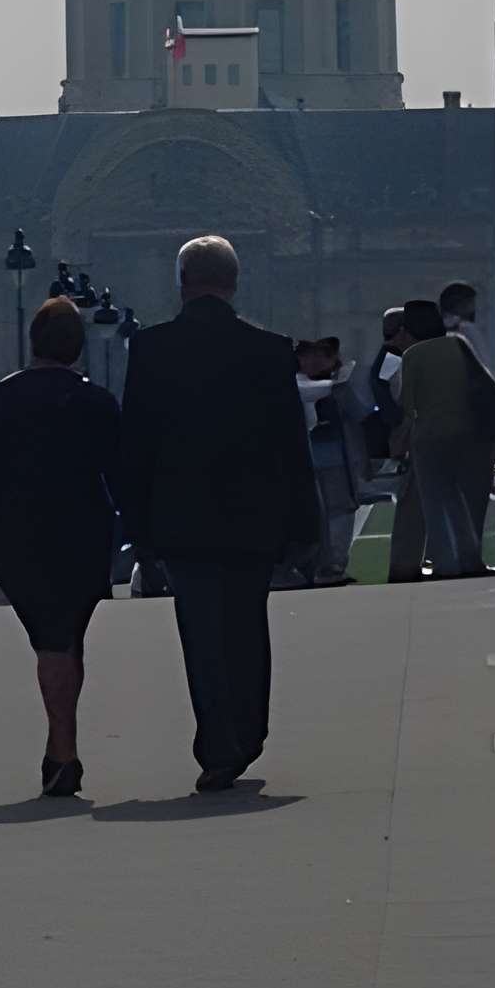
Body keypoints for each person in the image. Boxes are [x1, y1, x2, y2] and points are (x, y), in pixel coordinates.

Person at [115, 235, 320, 793]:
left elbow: (135, 447)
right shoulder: (271, 350)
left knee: (201, 633)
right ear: (234, 283)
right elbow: (290, 446)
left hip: (182, 516)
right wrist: (306, 526)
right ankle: (249, 732)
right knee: (248, 625)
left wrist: (137, 529)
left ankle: (219, 743)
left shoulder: (152, 350)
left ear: (181, 283)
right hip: (253, 515)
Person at [0, 293, 121, 796]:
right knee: (67, 638)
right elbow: (120, 472)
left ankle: (63, 750)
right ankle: (62, 748)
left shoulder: (5, 397)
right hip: (83, 533)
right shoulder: (96, 401)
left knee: (51, 640)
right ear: (77, 348)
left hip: (23, 534)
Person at [395, 297, 487, 580]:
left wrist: (398, 438)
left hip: (428, 434)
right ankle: (470, 558)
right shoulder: (458, 344)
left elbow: (407, 403)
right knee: (456, 498)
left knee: (434, 502)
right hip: (463, 429)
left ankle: (446, 562)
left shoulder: (413, 356)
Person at [435, 280, 495, 565]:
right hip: (476, 422)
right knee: (474, 490)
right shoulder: (466, 333)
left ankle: (451, 553)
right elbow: (486, 372)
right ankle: (469, 554)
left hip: (445, 422)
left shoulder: (436, 335)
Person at [295, 338, 367, 587]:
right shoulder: (300, 385)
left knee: (340, 514)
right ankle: (318, 566)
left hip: (338, 460)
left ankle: (333, 565)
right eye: (309, 355)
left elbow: (359, 417)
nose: (315, 361)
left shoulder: (341, 388)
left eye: (321, 355)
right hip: (308, 463)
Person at [376, 305, 428, 582]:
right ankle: (405, 566)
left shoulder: (389, 358)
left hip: (405, 433)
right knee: (414, 504)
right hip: (410, 434)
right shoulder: (395, 358)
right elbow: (400, 401)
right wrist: (400, 430)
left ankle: (407, 564)